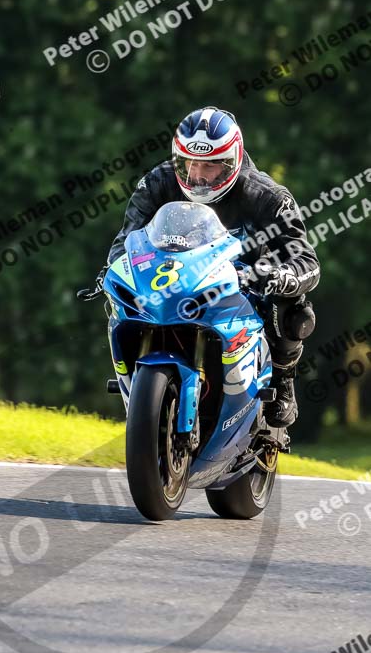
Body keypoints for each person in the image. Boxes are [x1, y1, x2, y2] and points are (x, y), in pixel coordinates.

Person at [96, 107, 320, 428]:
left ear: (232, 161)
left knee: (294, 308)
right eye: (190, 163)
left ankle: (283, 379)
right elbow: (125, 241)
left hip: (245, 282)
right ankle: (138, 379)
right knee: (119, 296)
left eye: (211, 165)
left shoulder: (268, 197)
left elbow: (307, 262)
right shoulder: (156, 183)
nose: (198, 175)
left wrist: (281, 277)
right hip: (176, 278)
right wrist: (113, 270)